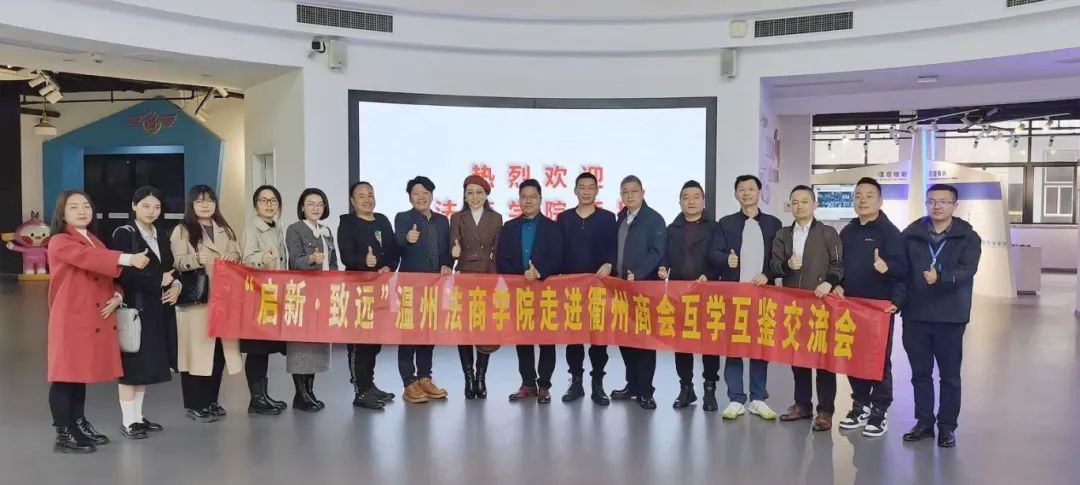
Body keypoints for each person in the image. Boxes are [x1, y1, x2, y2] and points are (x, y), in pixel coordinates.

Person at [47, 190, 151, 453]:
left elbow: (108, 275)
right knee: (65, 376)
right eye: (74, 207)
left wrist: (117, 295)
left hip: (89, 318)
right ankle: (64, 433)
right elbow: (90, 260)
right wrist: (128, 258)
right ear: (62, 214)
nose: (82, 211)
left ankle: (78, 423)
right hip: (70, 318)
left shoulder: (93, 240)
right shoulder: (59, 241)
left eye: (86, 206)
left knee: (77, 375)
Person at [898, 183, 981, 448]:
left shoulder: (968, 237)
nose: (937, 206)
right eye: (932, 201)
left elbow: (968, 269)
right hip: (916, 314)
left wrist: (942, 277)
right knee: (920, 373)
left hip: (950, 316)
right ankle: (924, 422)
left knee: (949, 375)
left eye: (944, 201)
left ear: (955, 206)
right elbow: (902, 271)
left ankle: (947, 427)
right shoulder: (911, 234)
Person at [832, 177, 906, 438]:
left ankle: (879, 410)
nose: (862, 200)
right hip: (850, 306)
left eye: (869, 195)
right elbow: (838, 265)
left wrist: (893, 289)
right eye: (858, 195)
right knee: (853, 356)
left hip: (878, 309)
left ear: (880, 200)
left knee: (877, 359)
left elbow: (904, 271)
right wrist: (837, 284)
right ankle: (860, 404)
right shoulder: (847, 231)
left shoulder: (890, 233)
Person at [109, 186, 181, 439]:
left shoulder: (161, 233)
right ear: (134, 206)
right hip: (135, 308)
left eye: (156, 207)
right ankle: (128, 421)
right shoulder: (124, 233)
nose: (152, 211)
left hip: (157, 308)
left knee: (145, 366)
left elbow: (170, 267)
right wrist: (157, 281)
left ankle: (138, 417)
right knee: (131, 367)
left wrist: (175, 285)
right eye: (146, 206)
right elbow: (121, 272)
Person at [708, 175, 782, 420]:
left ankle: (758, 398)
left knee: (760, 347)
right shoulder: (726, 223)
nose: (747, 193)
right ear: (735, 195)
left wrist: (767, 274)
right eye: (742, 189)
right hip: (735, 296)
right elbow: (713, 253)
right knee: (734, 346)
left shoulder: (773, 224)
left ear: (760, 192)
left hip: (763, 295)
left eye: (751, 188)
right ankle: (736, 398)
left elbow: (779, 259)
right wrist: (725, 259)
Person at [772, 185, 843, 431]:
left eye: (804, 201)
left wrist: (829, 283)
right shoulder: (783, 234)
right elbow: (774, 266)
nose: (799, 206)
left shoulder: (828, 233)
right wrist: (787, 265)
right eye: (795, 202)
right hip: (794, 305)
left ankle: (825, 411)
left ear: (815, 205)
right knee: (798, 356)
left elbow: (838, 265)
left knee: (824, 359)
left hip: (822, 305)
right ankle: (802, 404)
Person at [171, 185, 243, 423]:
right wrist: (194, 259)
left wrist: (234, 258)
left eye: (210, 201)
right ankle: (195, 404)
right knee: (196, 353)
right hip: (197, 301)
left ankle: (211, 400)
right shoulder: (183, 230)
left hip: (223, 300)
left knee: (218, 352)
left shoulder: (225, 228)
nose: (205, 205)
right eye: (200, 201)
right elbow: (177, 262)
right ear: (191, 205)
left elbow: (238, 254)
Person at [496, 179, 564, 404]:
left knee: (546, 338)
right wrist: (519, 277)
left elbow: (559, 258)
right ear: (518, 200)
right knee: (523, 338)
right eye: (524, 197)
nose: (528, 201)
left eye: (532, 197)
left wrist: (539, 272)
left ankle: (544, 385)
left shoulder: (553, 227)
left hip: (545, 291)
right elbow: (501, 260)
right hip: (519, 292)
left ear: (540, 199)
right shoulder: (508, 227)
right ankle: (527, 383)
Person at [338, 181, 400, 409]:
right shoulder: (347, 223)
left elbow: (394, 251)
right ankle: (360, 390)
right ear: (353, 201)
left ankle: (370, 385)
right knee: (359, 341)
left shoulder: (382, 220)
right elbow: (346, 256)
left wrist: (389, 266)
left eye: (370, 195)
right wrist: (364, 261)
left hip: (380, 289)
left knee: (374, 341)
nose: (367, 199)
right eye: (361, 196)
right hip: (358, 290)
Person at [558, 172, 617, 405]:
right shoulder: (564, 218)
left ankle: (598, 383)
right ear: (575, 190)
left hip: (599, 288)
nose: (586, 191)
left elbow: (614, 248)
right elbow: (558, 250)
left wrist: (610, 263)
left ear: (597, 190)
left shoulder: (607, 218)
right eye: (581, 187)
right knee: (573, 337)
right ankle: (576, 382)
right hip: (571, 289)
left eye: (590, 187)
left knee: (598, 337)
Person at [659, 181, 718, 410]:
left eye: (696, 197)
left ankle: (710, 389)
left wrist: (709, 275)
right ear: (680, 202)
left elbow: (718, 258)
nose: (691, 201)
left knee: (709, 343)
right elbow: (664, 256)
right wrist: (662, 269)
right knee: (681, 342)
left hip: (707, 293)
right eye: (686, 197)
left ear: (703, 201)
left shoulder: (714, 228)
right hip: (679, 294)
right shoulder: (671, 229)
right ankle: (686, 388)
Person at [395, 176, 452, 403]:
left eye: (425, 193)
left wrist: (448, 263)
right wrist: (406, 239)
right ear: (410, 197)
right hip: (410, 287)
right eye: (416, 193)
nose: (421, 197)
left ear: (432, 195)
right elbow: (396, 243)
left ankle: (425, 377)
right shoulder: (403, 218)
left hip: (434, 287)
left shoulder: (442, 220)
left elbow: (447, 250)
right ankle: (409, 382)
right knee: (409, 334)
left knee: (429, 332)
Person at [611, 175, 666, 410]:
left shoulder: (654, 219)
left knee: (644, 341)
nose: (629, 195)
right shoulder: (620, 218)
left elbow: (657, 251)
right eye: (625, 192)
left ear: (643, 193)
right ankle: (632, 384)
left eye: (634, 191)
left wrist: (639, 273)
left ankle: (646, 391)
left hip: (644, 289)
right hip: (621, 290)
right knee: (625, 339)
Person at [449, 175, 502, 400]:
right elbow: (453, 244)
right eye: (470, 192)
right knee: (464, 329)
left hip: (488, 277)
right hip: (464, 276)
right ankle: (468, 378)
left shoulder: (496, 218)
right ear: (464, 195)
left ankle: (481, 377)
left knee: (484, 327)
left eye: (479, 192)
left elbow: (498, 250)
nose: (475, 197)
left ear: (486, 195)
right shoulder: (457, 217)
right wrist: (453, 252)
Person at [285, 188, 338, 412]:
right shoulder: (295, 229)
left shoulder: (326, 231)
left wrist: (334, 283)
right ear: (302, 207)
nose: (316, 208)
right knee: (301, 344)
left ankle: (309, 390)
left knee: (316, 343)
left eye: (319, 204)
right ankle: (300, 394)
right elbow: (294, 262)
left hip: (322, 293)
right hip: (302, 294)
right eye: (311, 204)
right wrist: (311, 260)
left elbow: (333, 262)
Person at [240, 185, 289, 416]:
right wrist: (263, 258)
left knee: (264, 348)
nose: (269, 205)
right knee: (256, 349)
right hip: (257, 295)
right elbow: (247, 258)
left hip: (273, 295)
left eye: (273, 201)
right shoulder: (252, 228)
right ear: (255, 205)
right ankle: (256, 399)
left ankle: (263, 395)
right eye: (263, 200)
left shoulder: (276, 226)